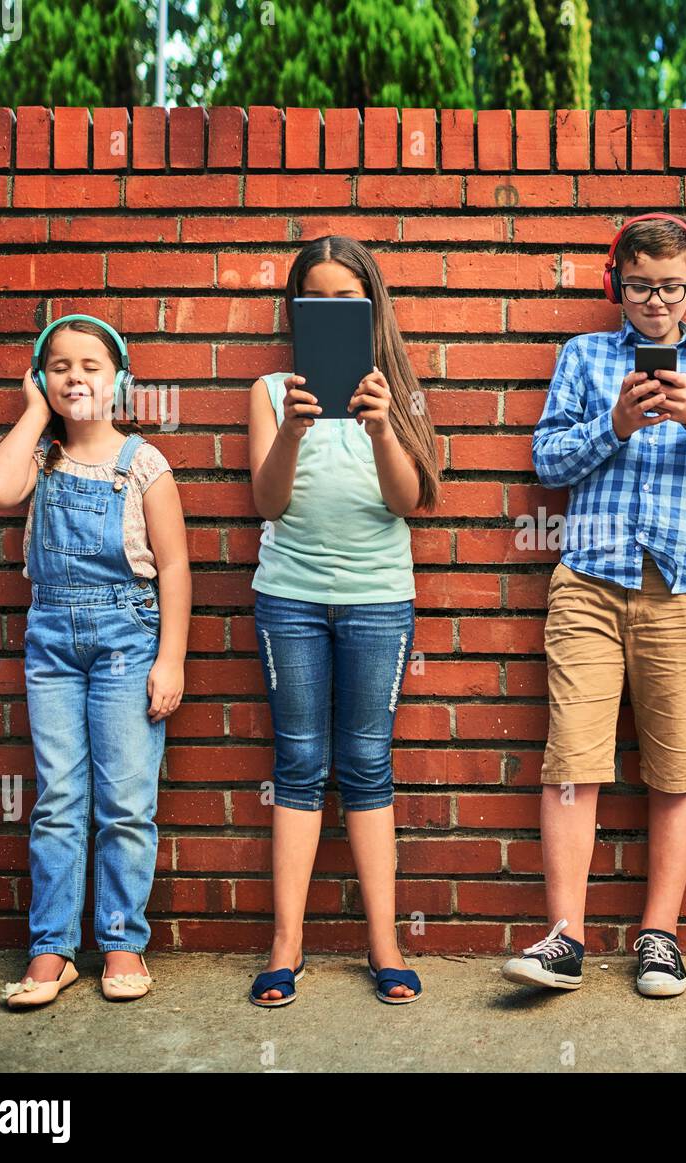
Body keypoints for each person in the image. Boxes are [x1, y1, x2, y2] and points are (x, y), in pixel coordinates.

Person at [505, 213, 686, 998]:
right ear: (615, 281)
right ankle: (564, 938)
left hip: (682, 585)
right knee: (573, 760)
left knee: (673, 764)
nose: (656, 302)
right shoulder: (582, 356)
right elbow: (547, 459)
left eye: (672, 287)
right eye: (641, 285)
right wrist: (614, 424)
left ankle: (660, 936)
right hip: (589, 577)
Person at [246, 236, 442, 1007]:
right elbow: (267, 502)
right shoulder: (268, 391)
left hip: (377, 600)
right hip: (289, 597)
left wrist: (384, 425)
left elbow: (409, 501)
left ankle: (384, 943)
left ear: (370, 306)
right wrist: (294, 430)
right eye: (315, 301)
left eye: (345, 301)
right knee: (297, 764)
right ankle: (285, 945)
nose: (329, 313)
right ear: (295, 311)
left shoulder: (398, 388)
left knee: (366, 765)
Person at [0, 314, 188, 1008]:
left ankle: (123, 938)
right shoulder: (40, 459)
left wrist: (172, 659)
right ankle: (52, 949)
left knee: (127, 797)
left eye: (91, 365)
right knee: (60, 798)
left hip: (129, 637)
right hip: (53, 642)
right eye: (59, 365)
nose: (76, 376)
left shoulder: (143, 463)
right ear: (42, 378)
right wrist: (35, 411)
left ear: (118, 379)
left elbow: (177, 566)